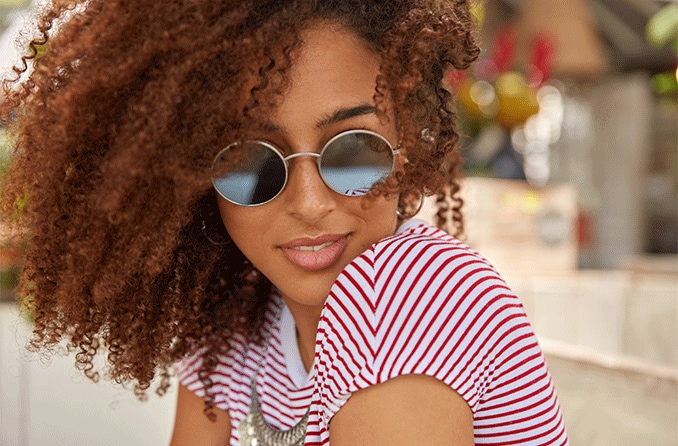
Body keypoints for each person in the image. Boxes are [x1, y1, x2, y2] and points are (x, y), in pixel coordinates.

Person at [0, 0, 568, 445]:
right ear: (194, 180)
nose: (310, 202)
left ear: (406, 140)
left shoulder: (413, 292)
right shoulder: (230, 326)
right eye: (253, 163)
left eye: (351, 151)